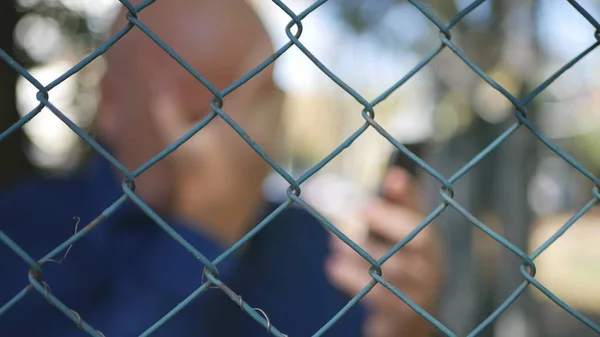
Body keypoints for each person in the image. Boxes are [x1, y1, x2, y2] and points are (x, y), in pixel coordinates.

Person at [0, 0, 443, 336]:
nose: (240, 147)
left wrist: (407, 324)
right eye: (202, 112)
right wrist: (200, 237)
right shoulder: (24, 233)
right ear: (113, 101)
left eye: (261, 108)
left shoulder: (313, 247)